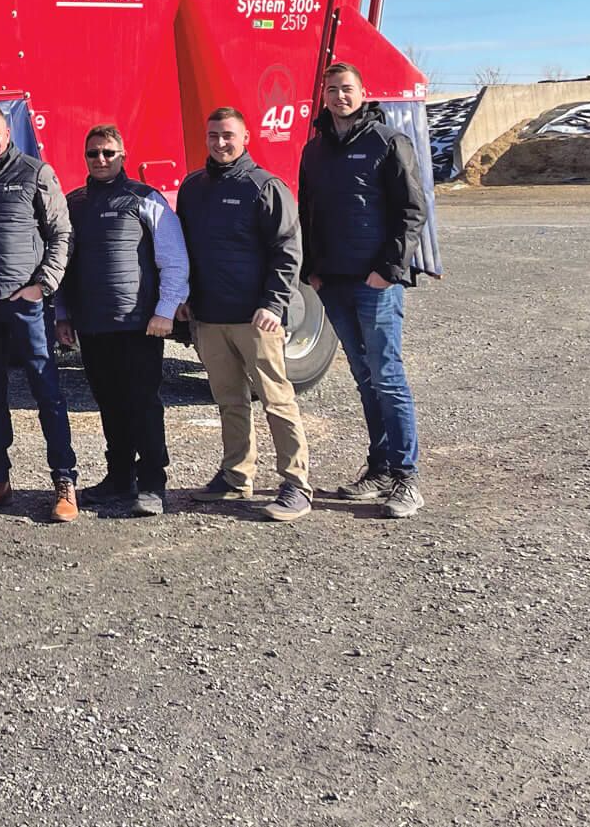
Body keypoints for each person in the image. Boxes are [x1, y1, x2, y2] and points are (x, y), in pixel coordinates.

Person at [298, 62, 431, 519]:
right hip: (333, 283)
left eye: (347, 89)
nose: (340, 97)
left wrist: (388, 270)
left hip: (374, 282)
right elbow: (307, 211)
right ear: (324, 95)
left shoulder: (387, 142)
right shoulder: (314, 151)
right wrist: (312, 270)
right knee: (365, 377)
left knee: (387, 376)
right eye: (332, 89)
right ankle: (379, 469)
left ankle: (406, 478)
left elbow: (412, 210)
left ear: (362, 92)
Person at [175, 107, 312, 522]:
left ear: (246, 138)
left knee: (276, 399)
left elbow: (287, 251)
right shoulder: (193, 188)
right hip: (209, 317)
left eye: (228, 136)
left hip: (256, 319)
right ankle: (236, 475)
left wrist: (274, 304)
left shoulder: (264, 187)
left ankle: (296, 484)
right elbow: (183, 249)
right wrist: (184, 297)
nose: (220, 143)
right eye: (213, 135)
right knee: (229, 400)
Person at [54, 124, 189, 517]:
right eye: (93, 153)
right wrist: (62, 314)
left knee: (142, 403)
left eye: (108, 152)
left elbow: (173, 258)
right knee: (109, 403)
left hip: (139, 324)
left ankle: (152, 484)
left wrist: (166, 310)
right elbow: (64, 264)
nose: (100, 159)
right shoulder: (74, 203)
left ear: (123, 156)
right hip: (93, 324)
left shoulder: (145, 198)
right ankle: (119, 478)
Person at [0, 104, 77, 523]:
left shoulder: (35, 173)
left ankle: (64, 479)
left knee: (47, 393)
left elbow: (61, 233)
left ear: (7, 133)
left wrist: (43, 284)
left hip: (27, 305)